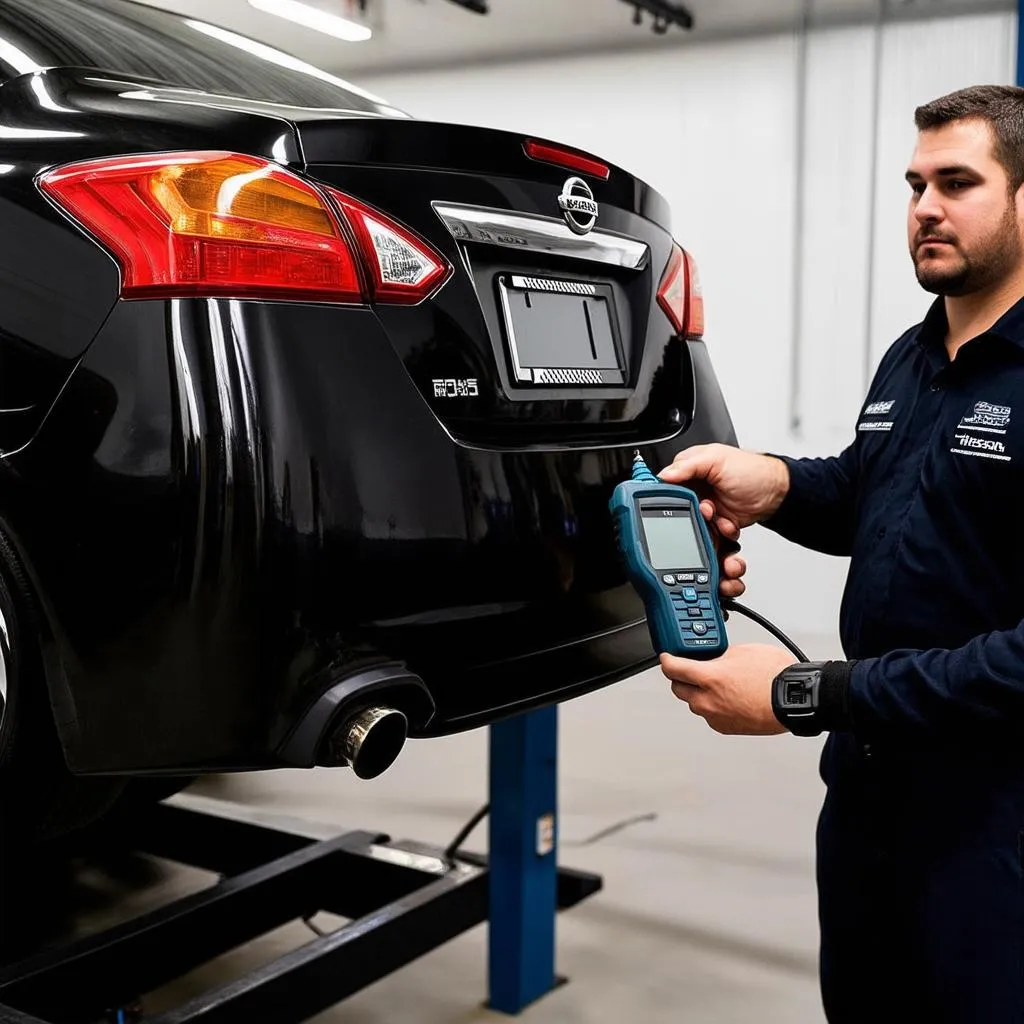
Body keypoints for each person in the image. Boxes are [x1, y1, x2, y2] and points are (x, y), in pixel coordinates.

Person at [659, 84, 1024, 1023]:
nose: (925, 209)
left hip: (995, 827)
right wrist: (773, 481)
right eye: (914, 185)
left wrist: (803, 693)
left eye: (957, 182)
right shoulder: (914, 353)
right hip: (867, 796)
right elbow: (876, 490)